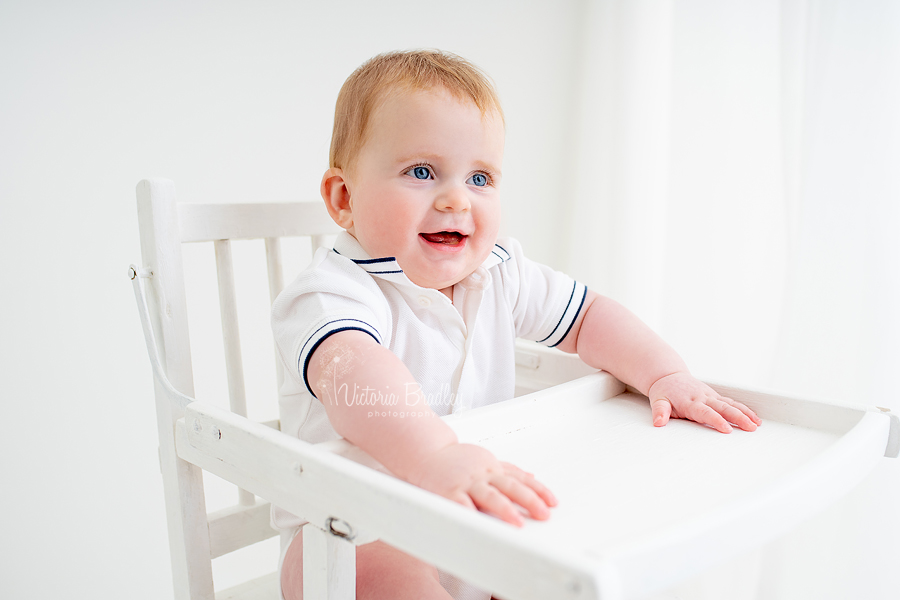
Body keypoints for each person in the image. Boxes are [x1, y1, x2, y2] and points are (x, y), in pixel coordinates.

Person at [271, 49, 762, 600]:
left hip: (474, 515)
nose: (457, 198)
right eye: (422, 172)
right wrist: (433, 455)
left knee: (561, 558)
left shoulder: (499, 272)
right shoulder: (332, 293)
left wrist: (664, 374)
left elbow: (589, 317)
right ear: (344, 198)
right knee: (388, 576)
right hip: (350, 531)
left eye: (480, 177)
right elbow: (357, 377)